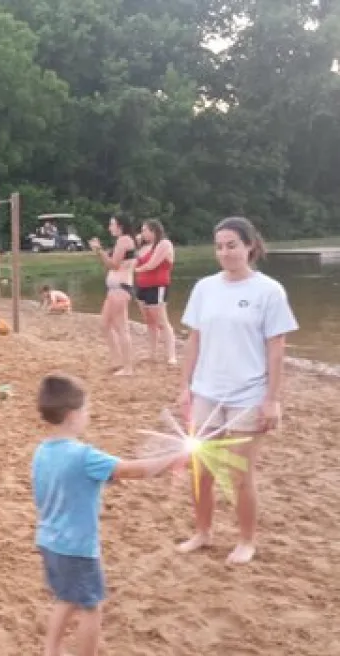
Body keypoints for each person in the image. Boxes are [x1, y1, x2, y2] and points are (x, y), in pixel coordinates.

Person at [33, 374, 185, 656]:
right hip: (77, 547)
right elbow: (136, 470)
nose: (89, 416)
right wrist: (177, 457)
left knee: (65, 597)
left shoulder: (42, 452)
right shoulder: (84, 456)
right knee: (91, 605)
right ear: (73, 416)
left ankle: (51, 654)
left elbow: (71, 484)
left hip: (49, 540)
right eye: (87, 411)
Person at [176, 217, 298, 565]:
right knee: (202, 468)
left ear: (249, 246)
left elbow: (277, 348)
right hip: (207, 391)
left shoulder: (268, 291)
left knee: (240, 474)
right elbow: (194, 339)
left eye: (232, 245)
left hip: (248, 393)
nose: (226, 252)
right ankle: (202, 532)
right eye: (220, 246)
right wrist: (184, 385)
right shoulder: (204, 288)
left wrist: (272, 399)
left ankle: (246, 539)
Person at [90, 214, 137, 375]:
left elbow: (113, 265)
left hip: (120, 288)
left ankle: (128, 367)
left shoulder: (124, 240)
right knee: (104, 324)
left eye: (112, 224)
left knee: (122, 328)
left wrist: (99, 250)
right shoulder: (124, 240)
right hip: (115, 289)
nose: (109, 227)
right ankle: (117, 361)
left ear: (120, 225)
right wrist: (101, 252)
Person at [136, 219, 177, 365]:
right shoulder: (145, 247)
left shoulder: (164, 244)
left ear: (153, 231)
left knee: (161, 321)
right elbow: (135, 260)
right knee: (149, 321)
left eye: (145, 230)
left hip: (157, 285)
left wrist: (132, 270)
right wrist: (137, 243)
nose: (142, 233)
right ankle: (152, 353)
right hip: (142, 285)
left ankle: (171, 355)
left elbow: (151, 265)